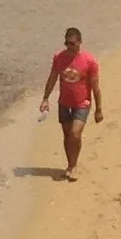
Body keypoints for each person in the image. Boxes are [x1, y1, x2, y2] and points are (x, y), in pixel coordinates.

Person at [40, 26, 102, 178]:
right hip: (64, 103)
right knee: (67, 136)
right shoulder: (59, 57)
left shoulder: (90, 61)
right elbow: (53, 78)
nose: (69, 47)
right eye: (66, 43)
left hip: (82, 103)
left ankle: (74, 165)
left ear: (80, 42)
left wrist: (99, 109)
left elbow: (95, 86)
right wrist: (45, 98)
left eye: (72, 43)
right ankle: (70, 163)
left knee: (75, 134)